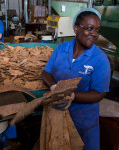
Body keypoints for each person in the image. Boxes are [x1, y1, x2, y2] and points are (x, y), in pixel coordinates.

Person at [42, 8, 111, 150]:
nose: (94, 34)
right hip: (57, 115)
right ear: (76, 28)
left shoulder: (100, 59)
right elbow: (45, 73)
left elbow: (99, 93)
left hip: (84, 122)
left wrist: (72, 96)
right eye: (89, 28)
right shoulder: (61, 49)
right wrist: (54, 87)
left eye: (97, 30)